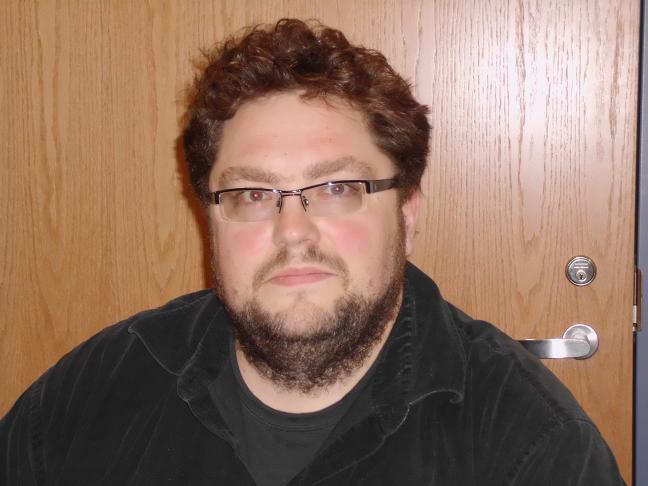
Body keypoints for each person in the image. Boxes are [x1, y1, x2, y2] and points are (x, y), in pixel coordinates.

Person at [0, 18, 624, 486]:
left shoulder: (531, 445)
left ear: (408, 213)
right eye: (251, 194)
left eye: (337, 189)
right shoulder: (90, 400)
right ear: (209, 218)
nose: (292, 231)